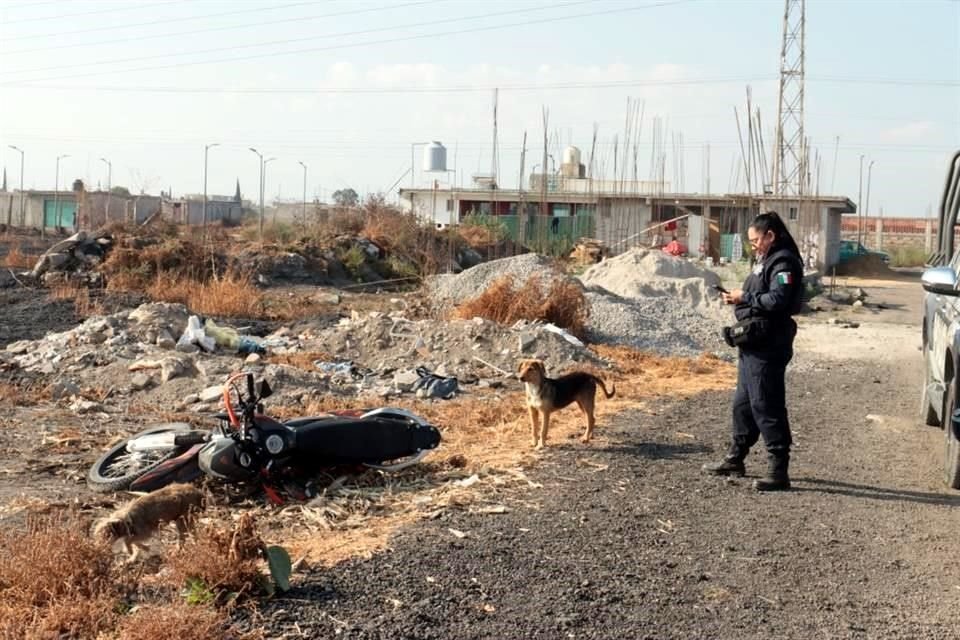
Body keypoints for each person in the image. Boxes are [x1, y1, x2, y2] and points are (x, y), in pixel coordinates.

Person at [703, 211, 804, 491]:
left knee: (766, 404)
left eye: (756, 240)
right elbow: (761, 295)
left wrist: (744, 297)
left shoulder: (784, 262)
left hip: (769, 344)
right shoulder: (765, 261)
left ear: (770, 235)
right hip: (752, 343)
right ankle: (736, 457)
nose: (753, 246)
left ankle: (778, 468)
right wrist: (735, 298)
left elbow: (779, 300)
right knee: (743, 404)